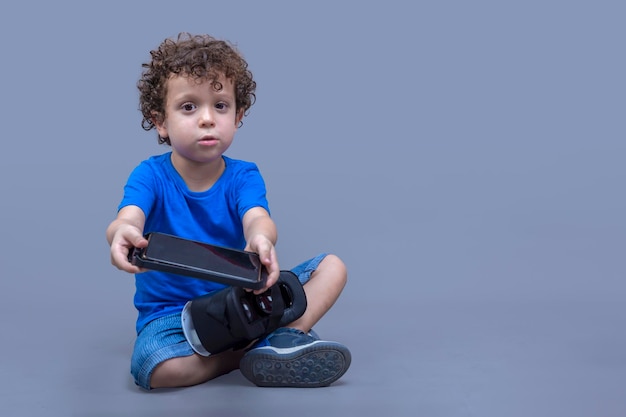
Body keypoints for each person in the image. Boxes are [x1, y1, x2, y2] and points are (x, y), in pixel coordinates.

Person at [106, 32, 351, 390]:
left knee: (332, 267)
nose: (207, 119)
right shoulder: (150, 175)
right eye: (189, 107)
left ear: (238, 116)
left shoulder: (243, 175)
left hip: (244, 302)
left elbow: (257, 217)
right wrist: (121, 234)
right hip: (172, 314)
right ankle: (257, 349)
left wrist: (261, 239)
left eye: (220, 106)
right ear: (160, 121)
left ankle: (268, 337)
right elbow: (128, 217)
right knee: (156, 371)